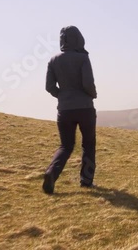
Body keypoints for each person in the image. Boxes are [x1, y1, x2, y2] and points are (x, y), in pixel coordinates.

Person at [42, 26, 97, 195]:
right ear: (79, 39)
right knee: (88, 144)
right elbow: (88, 83)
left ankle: (51, 173)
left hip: (64, 110)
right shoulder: (83, 58)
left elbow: (49, 87)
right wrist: (93, 94)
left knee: (65, 146)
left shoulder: (53, 60)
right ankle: (86, 182)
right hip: (85, 108)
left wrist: (62, 96)